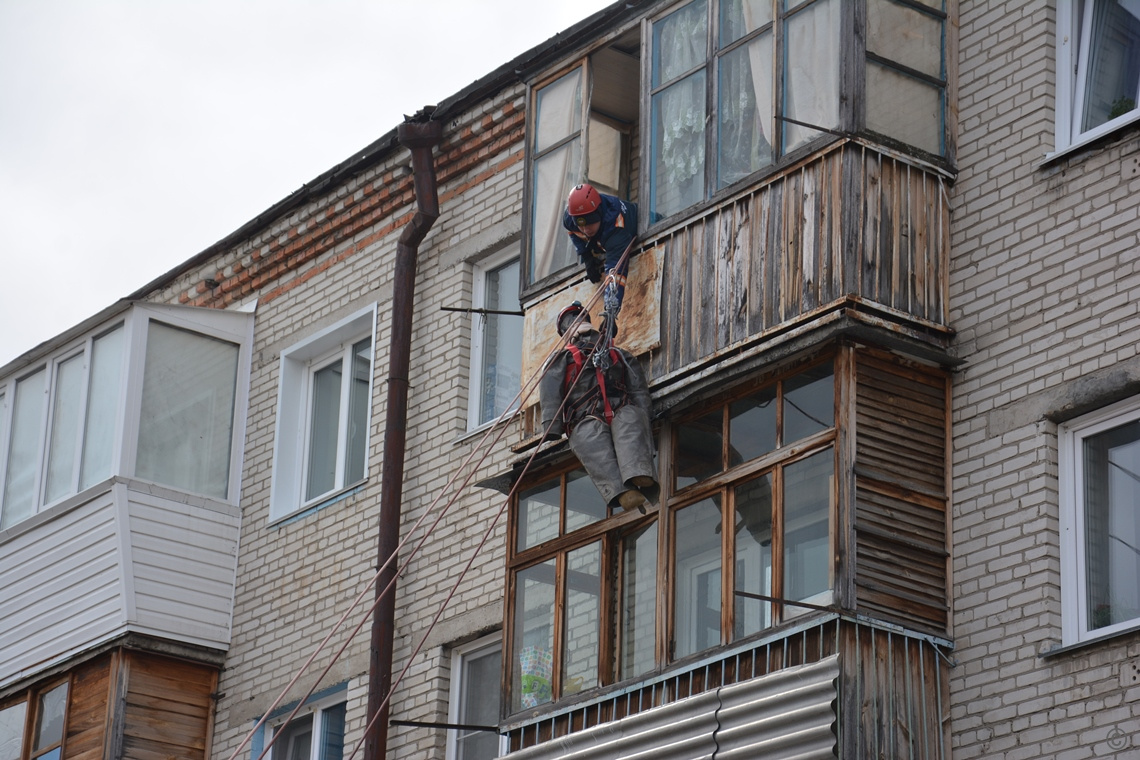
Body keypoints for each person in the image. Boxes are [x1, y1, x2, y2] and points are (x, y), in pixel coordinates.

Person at [539, 302, 659, 512]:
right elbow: (638, 389)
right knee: (610, 434)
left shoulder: (610, 354)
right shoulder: (611, 354)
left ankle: (631, 479)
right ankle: (629, 483)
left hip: (603, 414)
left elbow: (637, 387)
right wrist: (552, 427)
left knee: (612, 434)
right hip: (601, 414)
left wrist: (551, 427)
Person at [562, 184, 638, 336]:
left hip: (645, 226)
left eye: (590, 224)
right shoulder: (571, 219)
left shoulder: (617, 227)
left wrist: (610, 313)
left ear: (599, 214)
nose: (585, 230)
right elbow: (574, 232)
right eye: (581, 226)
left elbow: (615, 273)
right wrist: (586, 256)